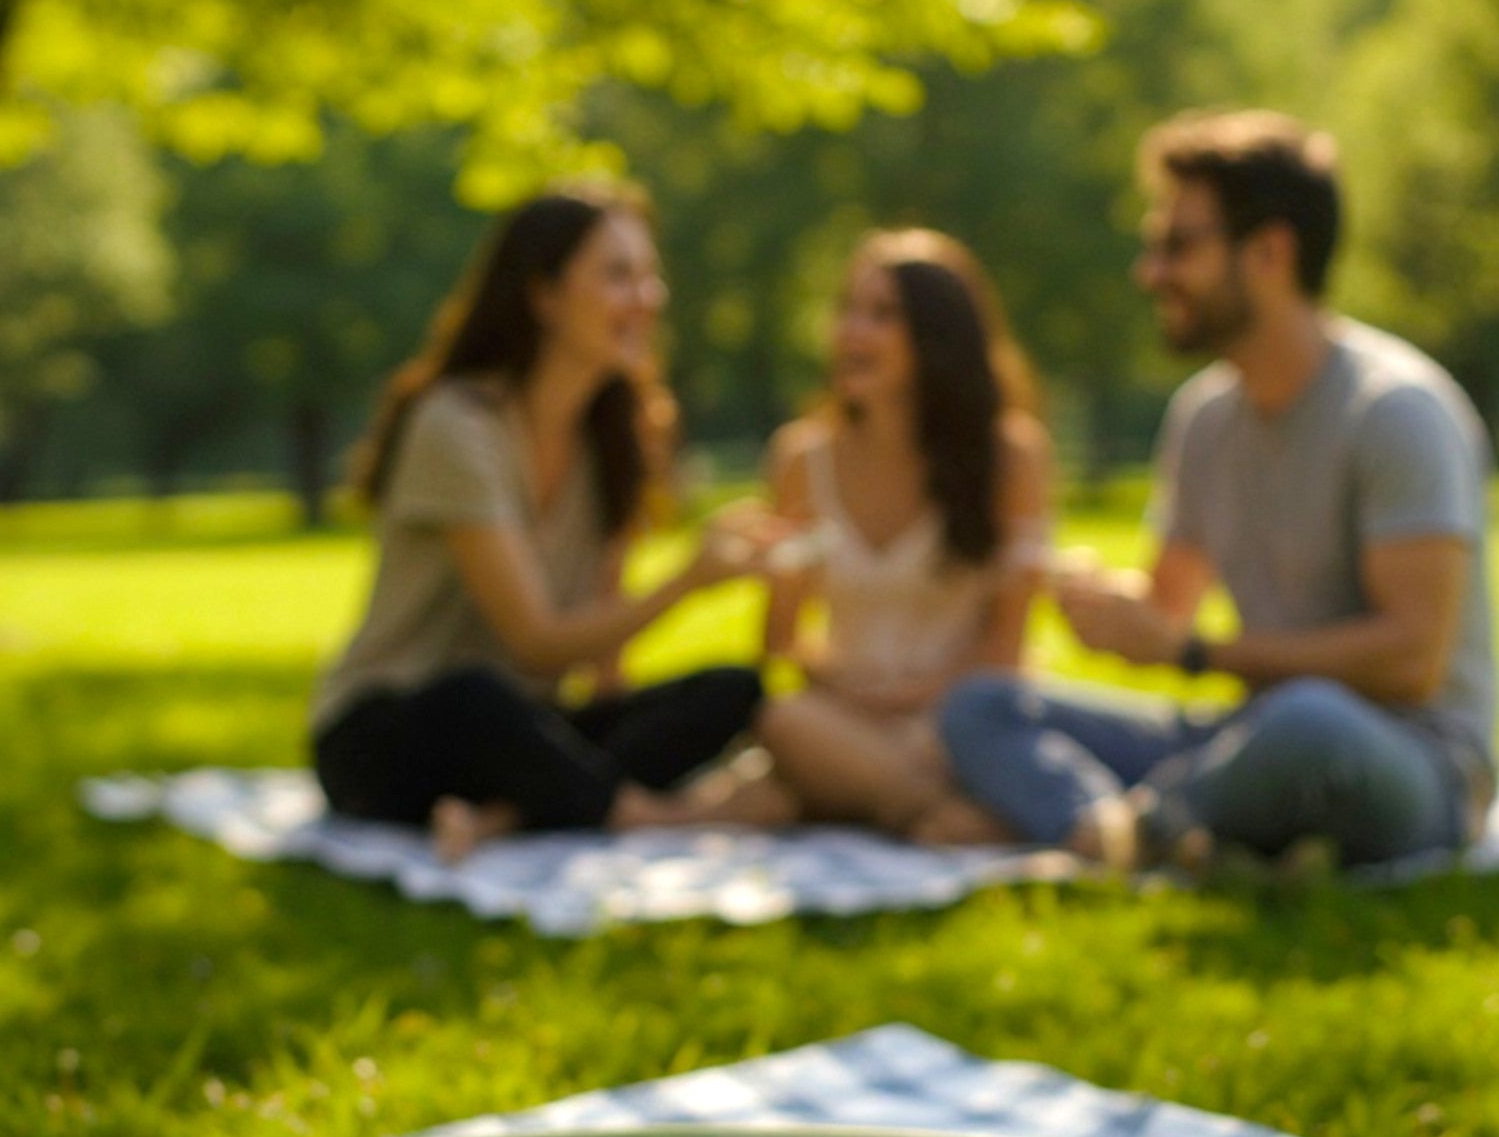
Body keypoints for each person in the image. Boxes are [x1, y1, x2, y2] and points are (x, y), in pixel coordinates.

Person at [939, 110, 1499, 871]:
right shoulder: (1204, 418)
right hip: (1248, 730)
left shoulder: (1395, 410)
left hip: (1411, 760)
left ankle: (1156, 825)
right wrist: (1102, 603)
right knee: (980, 706)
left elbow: (1411, 661)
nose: (1151, 274)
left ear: (1270, 252)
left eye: (1178, 247)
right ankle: (1120, 830)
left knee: (1308, 726)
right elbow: (1169, 610)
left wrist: (1195, 651)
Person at [309, 184, 790, 861]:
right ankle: (646, 818)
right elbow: (534, 642)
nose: (646, 298)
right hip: (389, 734)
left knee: (731, 690)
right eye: (618, 275)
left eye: (649, 276)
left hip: (521, 729)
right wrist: (689, 581)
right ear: (544, 296)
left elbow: (600, 649)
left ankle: (500, 818)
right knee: (478, 697)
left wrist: (616, 730)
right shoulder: (456, 427)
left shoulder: (619, 435)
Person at [752, 230, 1053, 840]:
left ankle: (876, 799)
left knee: (768, 796)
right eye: (848, 312)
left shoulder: (1011, 458)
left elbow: (1006, 650)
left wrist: (908, 698)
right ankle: (935, 813)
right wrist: (846, 689)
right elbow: (780, 639)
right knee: (782, 722)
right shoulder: (799, 460)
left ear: (938, 337)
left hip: (957, 718)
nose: (850, 333)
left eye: (881, 315)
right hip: (842, 719)